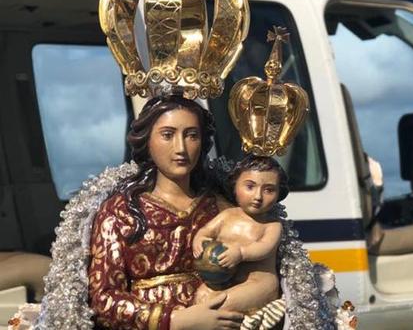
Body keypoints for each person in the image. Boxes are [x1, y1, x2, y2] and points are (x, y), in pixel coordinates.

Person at [87, 95, 244, 330]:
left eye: (191, 135)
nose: (181, 148)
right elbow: (103, 299)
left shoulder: (220, 207)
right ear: (147, 141)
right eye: (167, 135)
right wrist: (174, 320)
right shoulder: (121, 212)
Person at [191, 156, 286, 314]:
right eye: (250, 187)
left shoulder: (272, 226)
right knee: (201, 297)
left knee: (221, 304)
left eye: (269, 190)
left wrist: (241, 253)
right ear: (235, 186)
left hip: (258, 283)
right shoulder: (228, 215)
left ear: (278, 194)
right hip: (224, 281)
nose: (258, 197)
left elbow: (264, 247)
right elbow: (207, 231)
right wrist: (200, 239)